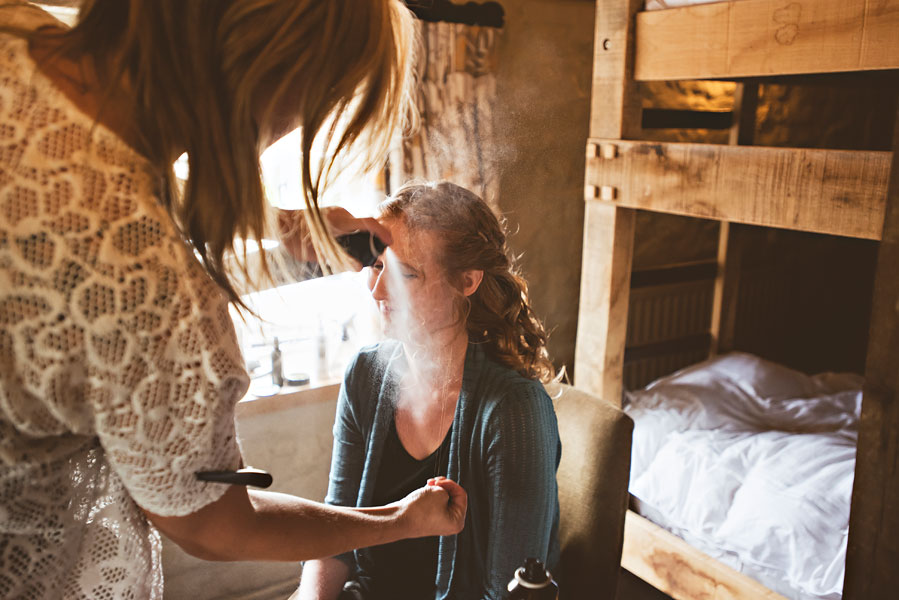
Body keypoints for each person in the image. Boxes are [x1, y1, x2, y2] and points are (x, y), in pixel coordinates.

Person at [0, 2, 468, 599]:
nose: (292, 129)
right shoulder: (148, 288)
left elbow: (101, 167)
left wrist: (279, 220)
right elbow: (216, 527)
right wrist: (399, 522)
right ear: (262, 67)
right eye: (313, 101)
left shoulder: (19, 33)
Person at [297, 182, 561, 600]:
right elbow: (335, 533)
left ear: (467, 280)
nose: (379, 290)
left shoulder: (514, 411)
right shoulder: (365, 375)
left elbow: (510, 591)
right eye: (376, 266)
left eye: (406, 273)